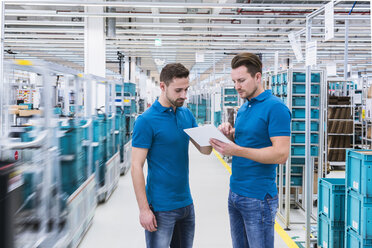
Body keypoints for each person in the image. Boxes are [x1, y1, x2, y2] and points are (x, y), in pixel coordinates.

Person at [209, 53, 291, 248]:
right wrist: (228, 134)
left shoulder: (276, 108)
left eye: (242, 80)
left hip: (258, 198)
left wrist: (236, 150)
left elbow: (281, 154)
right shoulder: (245, 107)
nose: (237, 86)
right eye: (234, 81)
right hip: (235, 192)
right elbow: (248, 140)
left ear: (258, 77)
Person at [131, 63, 212, 248]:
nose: (184, 95)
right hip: (160, 208)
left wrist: (218, 137)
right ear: (162, 86)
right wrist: (144, 209)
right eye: (178, 90)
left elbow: (204, 150)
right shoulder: (146, 121)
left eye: (186, 89)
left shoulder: (187, 115)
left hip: (186, 204)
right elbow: (136, 166)